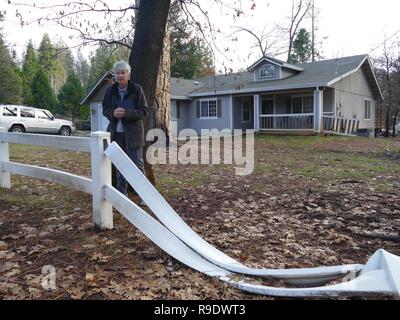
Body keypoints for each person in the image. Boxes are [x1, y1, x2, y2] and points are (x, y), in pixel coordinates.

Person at [102, 60, 148, 199]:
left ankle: (145, 197)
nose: (120, 75)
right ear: (115, 76)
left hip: (133, 136)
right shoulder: (110, 91)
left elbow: (144, 111)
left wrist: (127, 113)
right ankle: (122, 196)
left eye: (123, 72)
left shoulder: (137, 89)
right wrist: (113, 114)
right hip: (116, 135)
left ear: (129, 74)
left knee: (137, 166)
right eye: (118, 73)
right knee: (120, 166)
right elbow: (105, 110)